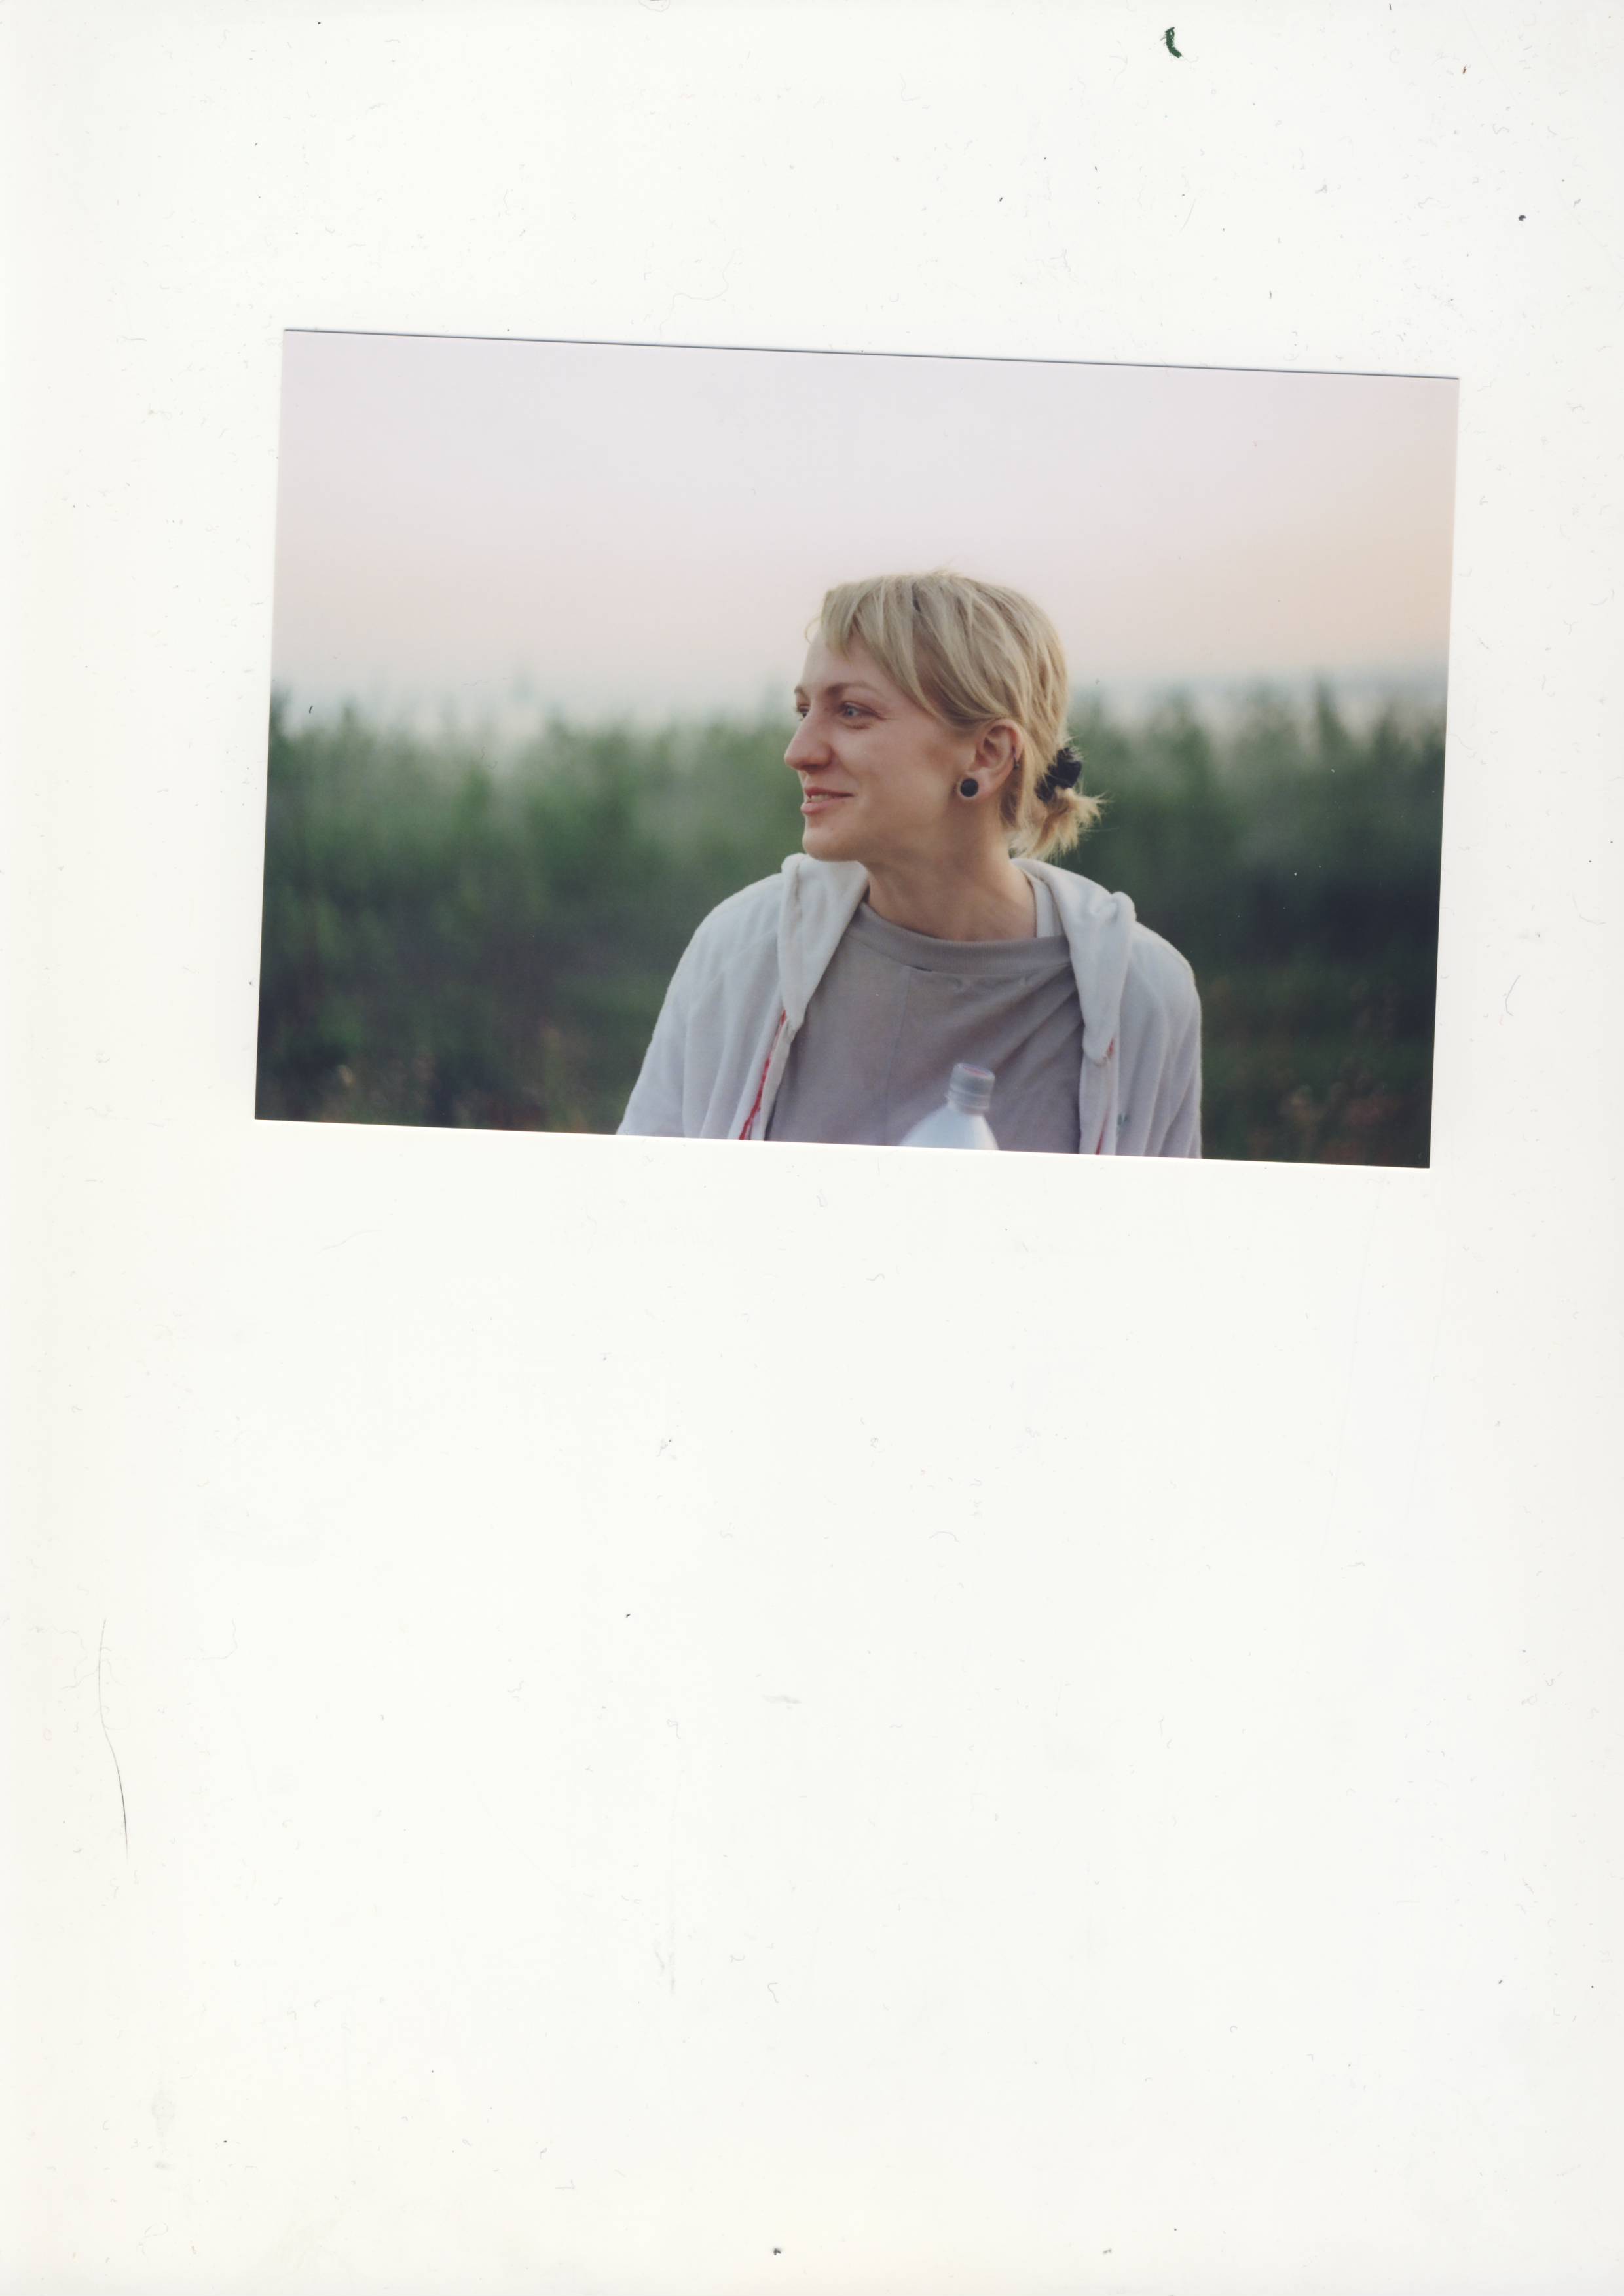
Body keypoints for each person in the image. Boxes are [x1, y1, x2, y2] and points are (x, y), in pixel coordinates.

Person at [618, 571, 1201, 1156]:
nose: (799, 752)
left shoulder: (1142, 996)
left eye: (852, 711)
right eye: (804, 711)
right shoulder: (741, 951)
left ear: (987, 754)